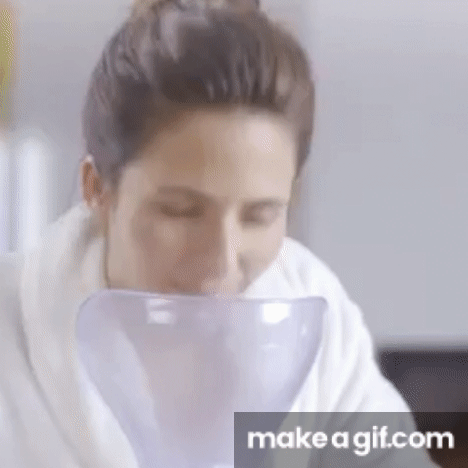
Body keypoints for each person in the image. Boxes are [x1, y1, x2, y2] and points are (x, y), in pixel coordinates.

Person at [0, 0, 439, 467]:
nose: (222, 261)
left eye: (259, 216)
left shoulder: (316, 315)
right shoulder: (12, 334)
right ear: (97, 190)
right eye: (182, 211)